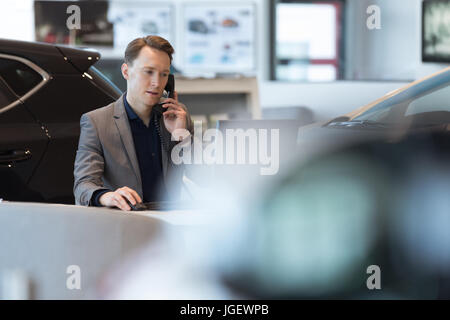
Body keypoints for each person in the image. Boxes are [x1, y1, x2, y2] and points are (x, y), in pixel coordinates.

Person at [74, 36, 193, 210]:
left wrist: (181, 137)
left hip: (171, 225)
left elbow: (204, 178)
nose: (157, 83)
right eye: (148, 72)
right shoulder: (97, 122)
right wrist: (108, 196)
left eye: (164, 74)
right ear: (126, 71)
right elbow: (83, 186)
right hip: (127, 223)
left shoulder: (177, 116)